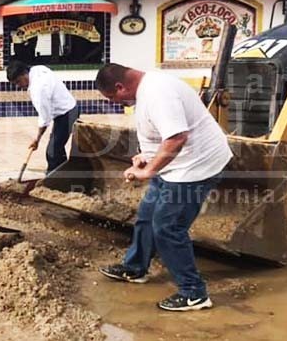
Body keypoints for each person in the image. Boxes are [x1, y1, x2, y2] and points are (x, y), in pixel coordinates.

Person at [95, 63, 232, 312]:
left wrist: (148, 171)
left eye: (113, 97)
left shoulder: (158, 92)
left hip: (195, 166)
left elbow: (177, 137)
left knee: (168, 227)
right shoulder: (146, 89)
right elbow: (161, 133)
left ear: (120, 86)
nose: (116, 103)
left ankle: (194, 293)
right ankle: (136, 268)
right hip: (175, 164)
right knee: (147, 216)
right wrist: (145, 156)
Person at [6, 60, 80, 174]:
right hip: (68, 110)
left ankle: (52, 183)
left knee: (52, 152)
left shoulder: (38, 89)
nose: (18, 86)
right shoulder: (37, 69)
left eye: (18, 82)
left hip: (67, 114)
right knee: (56, 149)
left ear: (24, 74)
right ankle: (64, 177)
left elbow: (45, 119)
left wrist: (37, 139)